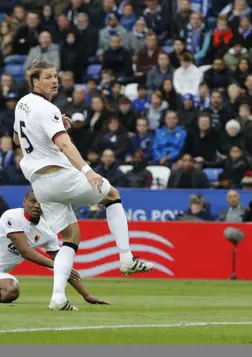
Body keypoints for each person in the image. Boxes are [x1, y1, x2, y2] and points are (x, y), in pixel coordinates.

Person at [12, 60, 153, 311]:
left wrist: (53, 127)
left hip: (40, 184)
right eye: (47, 77)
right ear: (35, 81)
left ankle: (58, 297)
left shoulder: (22, 104)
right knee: (112, 195)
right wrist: (87, 171)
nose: (54, 80)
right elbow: (65, 145)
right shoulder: (48, 108)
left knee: (70, 237)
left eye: (56, 76)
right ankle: (126, 258)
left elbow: (17, 137)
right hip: (60, 177)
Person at [0, 190, 108, 305]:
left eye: (41, 202)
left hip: (2, 272)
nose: (37, 206)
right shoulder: (12, 216)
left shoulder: (48, 233)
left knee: (10, 291)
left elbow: (63, 264)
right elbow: (25, 251)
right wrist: (57, 265)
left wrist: (86, 295)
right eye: (33, 201)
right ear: (24, 202)